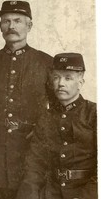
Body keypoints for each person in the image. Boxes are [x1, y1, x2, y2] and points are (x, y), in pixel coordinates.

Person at [0, 0, 54, 199]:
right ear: (0, 27)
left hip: (33, 158)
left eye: (18, 21)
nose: (11, 26)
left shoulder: (45, 62)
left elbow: (57, 112)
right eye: (6, 21)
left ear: (29, 26)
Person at [16, 53, 97, 199]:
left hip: (85, 192)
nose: (60, 83)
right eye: (56, 77)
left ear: (81, 82)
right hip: (51, 192)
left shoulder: (94, 114)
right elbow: (34, 166)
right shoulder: (45, 118)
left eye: (68, 78)